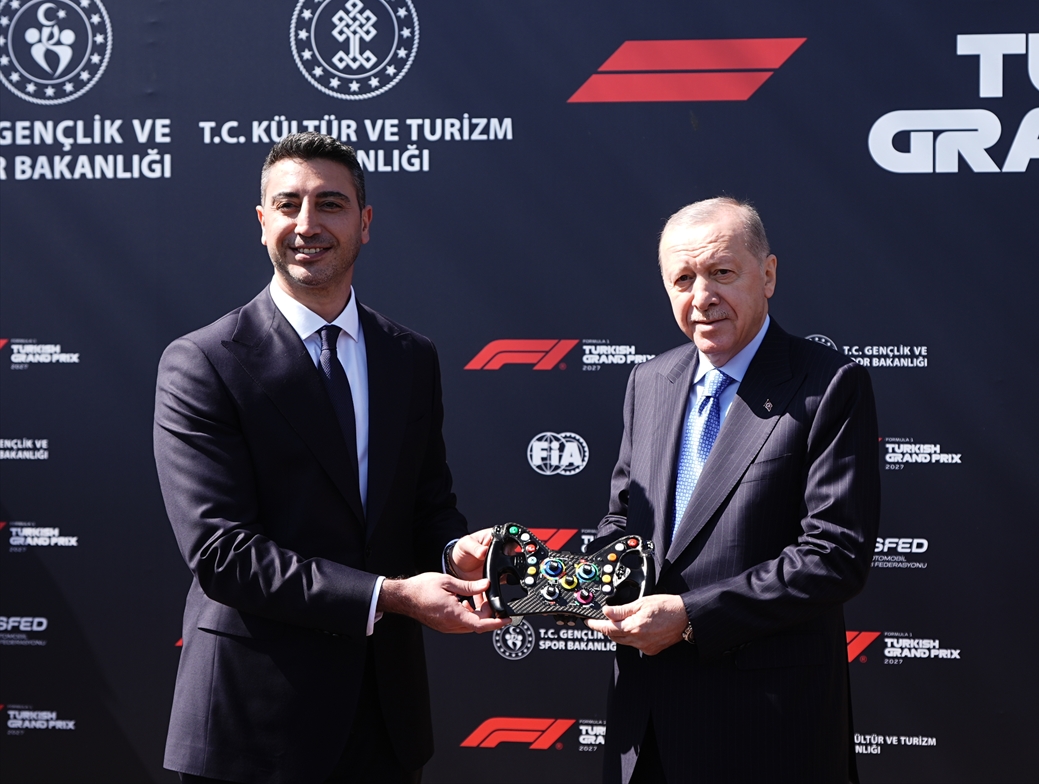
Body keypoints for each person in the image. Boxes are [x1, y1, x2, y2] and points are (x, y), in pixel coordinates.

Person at [153, 132, 505, 784]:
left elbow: (426, 506)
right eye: (288, 205)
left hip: (385, 722)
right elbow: (222, 553)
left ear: (364, 223)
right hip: (252, 727)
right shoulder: (203, 363)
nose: (307, 224)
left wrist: (453, 553)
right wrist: (392, 596)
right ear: (263, 222)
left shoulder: (410, 357)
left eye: (330, 204)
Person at [587, 198, 880, 783]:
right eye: (683, 279)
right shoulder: (650, 380)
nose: (702, 297)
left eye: (721, 272)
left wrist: (690, 617)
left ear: (767, 275)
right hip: (644, 729)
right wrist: (554, 580)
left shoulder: (829, 384)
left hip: (766, 732)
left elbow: (834, 556)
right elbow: (623, 523)